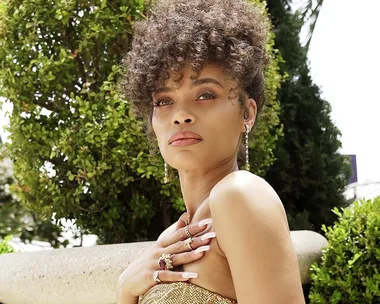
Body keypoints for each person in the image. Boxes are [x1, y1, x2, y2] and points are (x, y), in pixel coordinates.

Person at [116, 0, 305, 303]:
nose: (181, 115)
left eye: (205, 94)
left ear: (248, 113)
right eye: (164, 100)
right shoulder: (175, 236)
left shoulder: (240, 196)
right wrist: (126, 288)